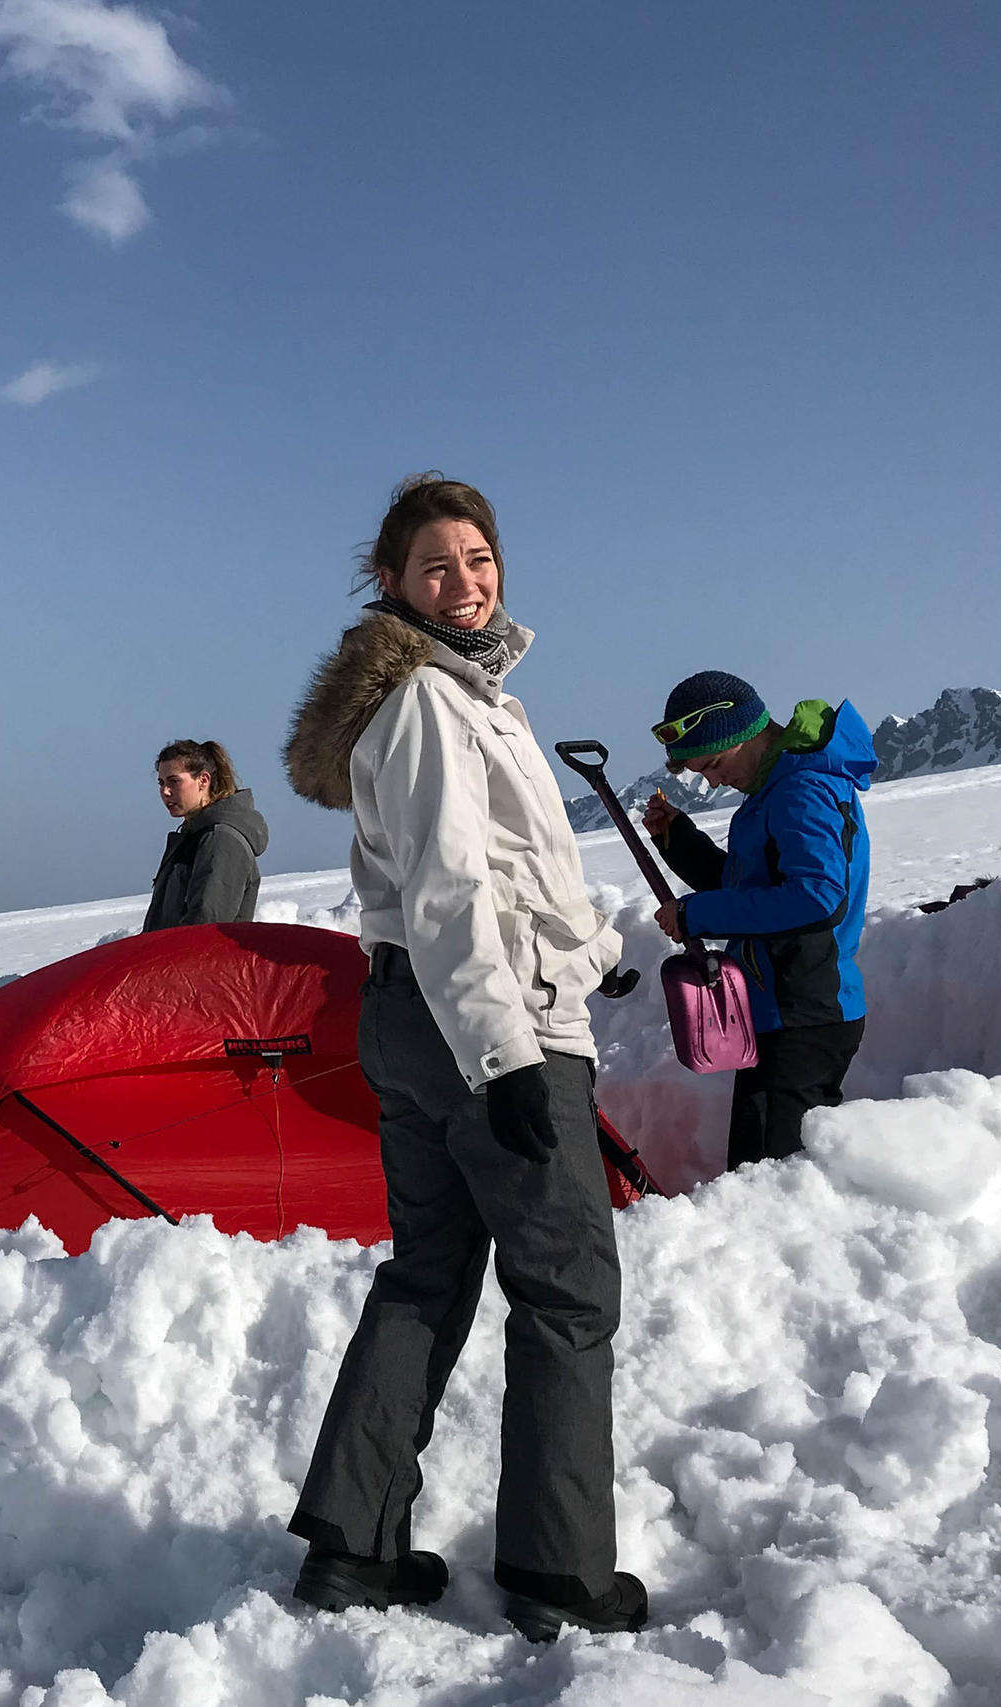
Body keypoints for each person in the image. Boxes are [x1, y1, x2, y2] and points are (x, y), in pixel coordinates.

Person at [280, 474, 646, 1639]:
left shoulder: (457, 700)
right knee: (569, 1289)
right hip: (483, 1025)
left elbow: (512, 875)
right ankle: (559, 1571)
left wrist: (592, 949)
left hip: (418, 1014)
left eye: (480, 559)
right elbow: (449, 896)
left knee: (428, 1274)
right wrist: (509, 1060)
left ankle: (352, 1543)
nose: (467, 581)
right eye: (437, 566)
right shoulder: (436, 704)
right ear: (390, 584)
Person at [639, 671, 874, 1171]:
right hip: (777, 1012)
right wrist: (679, 839)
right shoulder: (771, 795)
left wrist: (695, 914)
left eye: (715, 764)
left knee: (772, 1183)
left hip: (804, 1016)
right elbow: (747, 887)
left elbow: (816, 896)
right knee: (761, 1176)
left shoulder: (800, 791)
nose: (714, 780)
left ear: (743, 732)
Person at [141, 739, 268, 931]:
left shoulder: (221, 839)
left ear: (203, 780)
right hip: (171, 958)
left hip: (196, 959)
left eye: (174, 781)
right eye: (161, 783)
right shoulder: (192, 838)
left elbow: (207, 923)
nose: (165, 791)